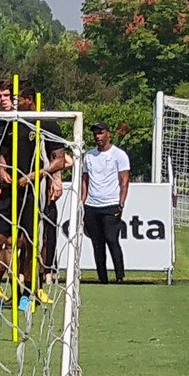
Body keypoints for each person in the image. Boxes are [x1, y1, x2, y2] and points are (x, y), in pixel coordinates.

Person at [0, 80, 67, 312]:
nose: (11, 102)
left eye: (16, 99)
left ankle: (27, 294)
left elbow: (59, 160)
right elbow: (0, 154)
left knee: (29, 244)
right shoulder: (8, 124)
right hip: (8, 192)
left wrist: (36, 176)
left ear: (29, 100)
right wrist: (2, 171)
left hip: (34, 192)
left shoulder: (47, 124)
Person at [81, 121, 131, 284]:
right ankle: (102, 278)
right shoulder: (89, 155)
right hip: (92, 205)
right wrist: (82, 203)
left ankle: (120, 276)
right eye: (95, 133)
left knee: (111, 240)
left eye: (101, 132)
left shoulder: (119, 155)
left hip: (110, 205)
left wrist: (121, 203)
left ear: (109, 134)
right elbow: (85, 181)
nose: (97, 136)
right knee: (97, 243)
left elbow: (124, 181)